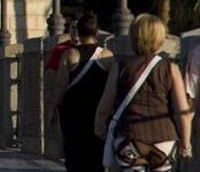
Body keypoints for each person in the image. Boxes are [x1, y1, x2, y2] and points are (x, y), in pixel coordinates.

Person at [95, 14, 193, 171]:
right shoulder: (170, 68)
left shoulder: (120, 67)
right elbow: (182, 112)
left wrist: (99, 127)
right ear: (160, 38)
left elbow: (105, 105)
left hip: (129, 137)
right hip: (164, 139)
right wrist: (186, 144)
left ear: (134, 36)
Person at [48, 13, 113, 172]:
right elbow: (113, 86)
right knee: (97, 155)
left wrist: (53, 109)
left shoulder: (70, 54)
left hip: (73, 114)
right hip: (98, 111)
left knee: (74, 155)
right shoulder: (107, 55)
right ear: (96, 33)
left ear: (79, 33)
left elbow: (60, 86)